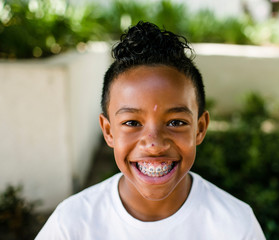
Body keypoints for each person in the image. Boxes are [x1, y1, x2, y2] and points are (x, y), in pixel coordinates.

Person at [36, 21, 266, 240]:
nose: (154, 143)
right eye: (132, 123)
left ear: (200, 128)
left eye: (176, 122)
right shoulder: (71, 224)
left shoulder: (235, 226)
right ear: (108, 131)